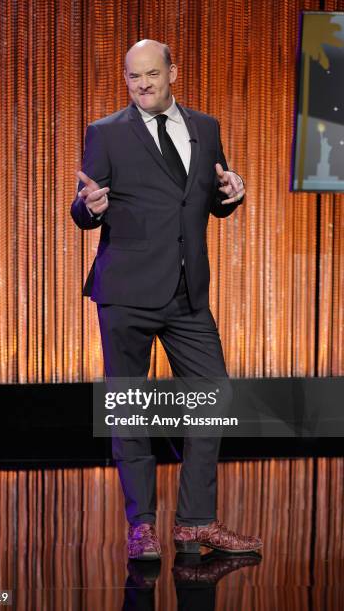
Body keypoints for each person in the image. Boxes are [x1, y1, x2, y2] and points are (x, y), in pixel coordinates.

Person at [71, 39, 262, 560]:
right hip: (127, 291)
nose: (144, 84)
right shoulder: (105, 133)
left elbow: (208, 195)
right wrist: (89, 208)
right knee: (130, 410)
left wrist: (232, 196)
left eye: (152, 74)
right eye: (134, 77)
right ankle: (142, 527)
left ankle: (195, 522)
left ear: (172, 71)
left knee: (211, 399)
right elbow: (85, 205)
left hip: (186, 293)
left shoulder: (206, 127)